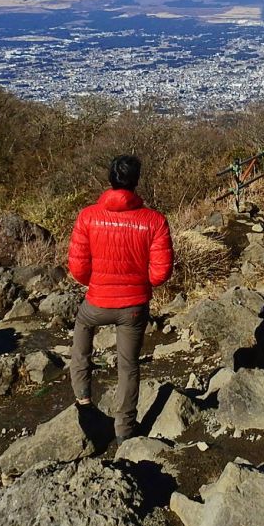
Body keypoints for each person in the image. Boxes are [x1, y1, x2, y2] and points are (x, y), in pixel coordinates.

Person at [68, 154, 174, 442]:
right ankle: (125, 430)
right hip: (133, 307)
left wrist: (98, 284)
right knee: (128, 366)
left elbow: (77, 267)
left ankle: (84, 401)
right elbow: (161, 271)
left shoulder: (88, 216)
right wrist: (139, 285)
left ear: (110, 179)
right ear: (136, 181)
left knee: (81, 338)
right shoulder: (154, 221)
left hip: (97, 302)